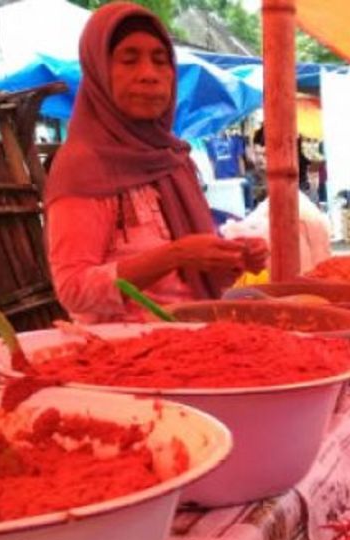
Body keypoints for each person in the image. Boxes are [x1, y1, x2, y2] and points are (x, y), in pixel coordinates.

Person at [44, 3, 266, 323]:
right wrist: (175, 255)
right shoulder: (83, 164)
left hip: (196, 339)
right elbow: (73, 290)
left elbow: (198, 283)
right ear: (99, 72)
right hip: (117, 358)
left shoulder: (174, 159)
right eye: (129, 59)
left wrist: (234, 259)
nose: (149, 75)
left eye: (161, 61)